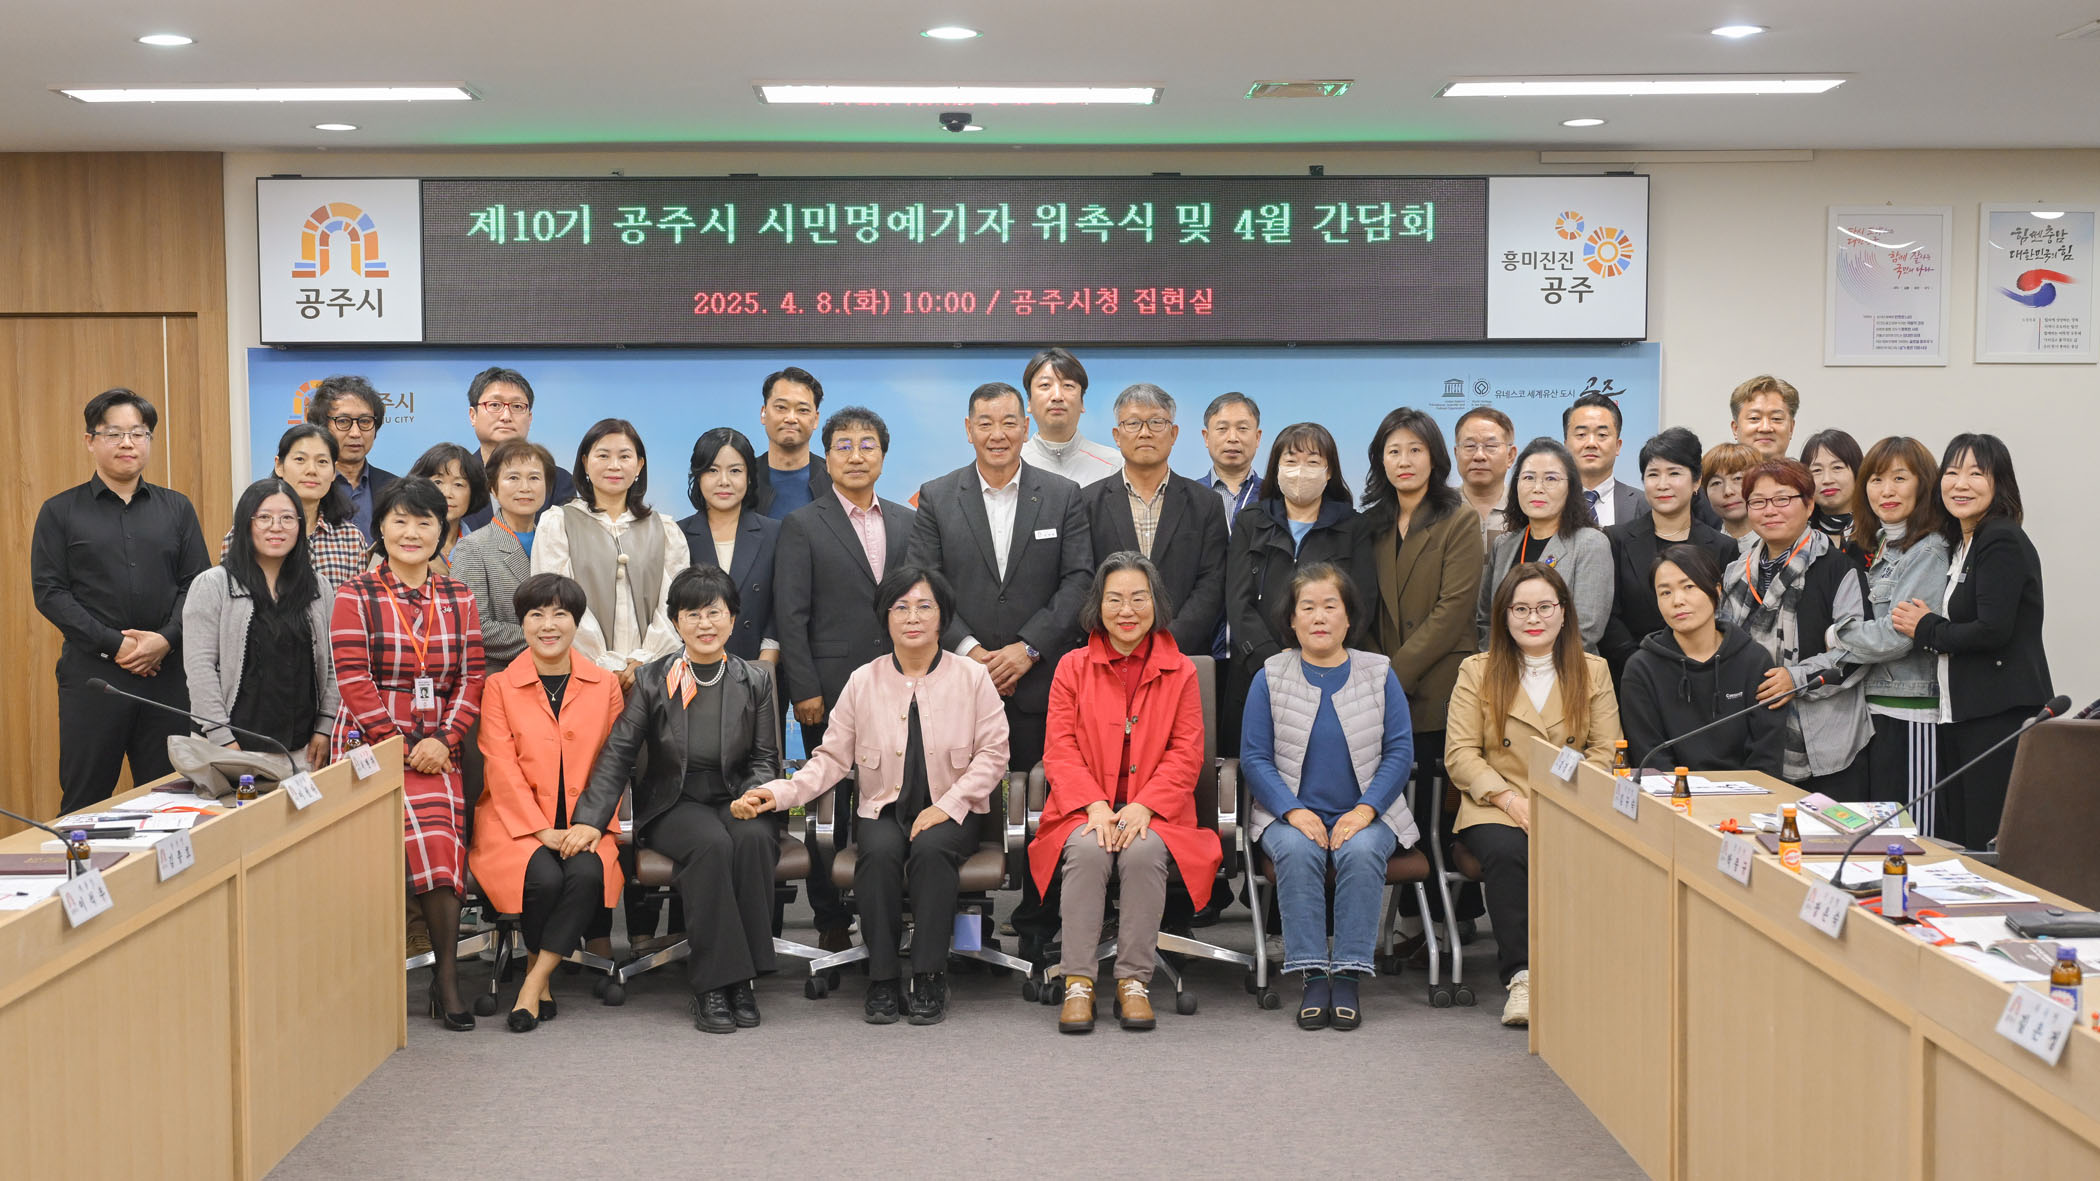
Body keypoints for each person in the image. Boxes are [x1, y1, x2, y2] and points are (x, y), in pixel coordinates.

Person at [736, 568, 1010, 1027]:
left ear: (943, 617)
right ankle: (882, 978)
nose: (912, 617)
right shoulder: (863, 680)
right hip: (884, 807)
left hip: (953, 811)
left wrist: (947, 806)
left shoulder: (973, 677)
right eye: (900, 608)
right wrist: (776, 792)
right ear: (885, 618)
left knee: (931, 849)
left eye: (924, 607)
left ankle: (929, 975)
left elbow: (994, 754)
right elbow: (829, 760)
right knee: (878, 852)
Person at [577, 566, 781, 1033]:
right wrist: (590, 818)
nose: (705, 624)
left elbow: (765, 758)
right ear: (676, 622)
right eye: (693, 614)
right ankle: (715, 984)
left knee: (753, 839)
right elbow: (618, 753)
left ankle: (743, 979)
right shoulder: (653, 679)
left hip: (735, 798)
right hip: (675, 803)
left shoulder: (756, 679)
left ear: (733, 619)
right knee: (712, 844)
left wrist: (754, 796)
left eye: (715, 613)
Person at [1032, 553, 1221, 1033]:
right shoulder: (1072, 667)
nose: (1127, 610)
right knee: (1088, 849)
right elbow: (1059, 747)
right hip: (1083, 808)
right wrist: (1095, 804)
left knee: (1142, 851)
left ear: (1156, 603)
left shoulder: (1181, 671)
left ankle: (1133, 981)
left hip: (1157, 812)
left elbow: (1187, 752)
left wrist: (1144, 805)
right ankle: (1078, 981)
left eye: (1139, 598)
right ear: (1098, 606)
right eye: (1114, 599)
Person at [330, 476, 486, 1029]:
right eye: (400, 520)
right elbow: (352, 678)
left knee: (440, 838)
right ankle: (355, 979)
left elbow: (472, 677)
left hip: (439, 742)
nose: (412, 532)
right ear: (381, 528)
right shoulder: (355, 594)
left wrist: (444, 740)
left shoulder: (458, 596)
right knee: (366, 851)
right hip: (369, 740)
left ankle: (447, 978)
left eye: (425, 521)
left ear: (441, 531)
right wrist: (397, 742)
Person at [1242, 564, 1418, 1030]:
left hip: (1369, 813)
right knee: (1299, 851)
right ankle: (1313, 974)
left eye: (1330, 606)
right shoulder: (1270, 676)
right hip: (1287, 815)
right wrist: (1293, 811)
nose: (1319, 617)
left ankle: (1349, 974)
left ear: (1348, 617)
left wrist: (1364, 810)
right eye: (1307, 608)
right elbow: (1255, 758)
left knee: (1360, 850)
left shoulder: (1379, 673)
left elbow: (1399, 752)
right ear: (1292, 619)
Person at [1447, 562, 1621, 1027]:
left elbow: (1606, 750)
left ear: (1564, 612)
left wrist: (1560, 799)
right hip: (1495, 804)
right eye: (1520, 609)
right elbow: (1460, 754)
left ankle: (1581, 973)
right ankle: (1522, 977)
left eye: (1545, 606)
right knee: (1510, 851)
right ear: (1503, 616)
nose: (1533, 618)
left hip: (1571, 799)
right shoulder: (1477, 671)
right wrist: (1509, 800)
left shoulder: (1594, 671)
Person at [775, 406, 915, 950]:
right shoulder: (803, 524)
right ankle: (830, 917)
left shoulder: (907, 521)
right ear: (827, 457)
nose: (856, 456)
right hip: (829, 688)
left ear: (883, 455)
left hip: (903, 684)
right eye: (844, 446)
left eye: (867, 445)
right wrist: (805, 688)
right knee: (827, 802)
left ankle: (895, 908)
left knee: (894, 795)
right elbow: (791, 615)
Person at [32, 388, 210, 815]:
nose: (127, 443)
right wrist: (118, 645)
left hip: (167, 677)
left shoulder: (177, 508)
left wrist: (164, 640)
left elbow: (197, 585)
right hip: (94, 678)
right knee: (85, 800)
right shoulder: (59, 511)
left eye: (138, 433)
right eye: (114, 433)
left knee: (171, 799)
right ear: (90, 440)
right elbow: (50, 592)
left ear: (149, 440)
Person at [469, 573, 623, 1032]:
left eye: (560, 614)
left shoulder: (605, 684)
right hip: (515, 824)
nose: (548, 625)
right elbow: (500, 767)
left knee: (586, 873)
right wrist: (541, 831)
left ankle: (534, 980)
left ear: (577, 622)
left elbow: (612, 764)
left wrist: (590, 824)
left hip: (586, 822)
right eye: (536, 615)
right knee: (542, 876)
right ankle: (541, 980)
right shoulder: (499, 686)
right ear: (522, 623)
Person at [1890, 434, 2051, 850]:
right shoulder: (1963, 543)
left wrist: (1926, 627)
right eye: (1952, 472)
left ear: (2000, 483)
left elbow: (1992, 630)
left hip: (1998, 716)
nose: (1960, 484)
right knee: (1959, 838)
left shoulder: (2000, 538)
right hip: (1962, 715)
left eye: (1976, 474)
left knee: (1987, 840)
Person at [1357, 407, 1479, 891]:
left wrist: (1390, 675)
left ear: (1435, 458)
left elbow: (1453, 611)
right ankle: (1407, 917)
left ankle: (1448, 918)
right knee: (1391, 807)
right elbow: (1360, 606)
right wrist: (1374, 669)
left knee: (1435, 809)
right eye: (1393, 451)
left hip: (1438, 684)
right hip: (1378, 686)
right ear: (1380, 460)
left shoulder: (1458, 519)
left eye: (1415, 449)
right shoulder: (1370, 524)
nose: (1404, 460)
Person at [1717, 458, 1872, 795]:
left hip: (1824, 739)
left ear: (1809, 504)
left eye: (1783, 499)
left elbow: (1855, 653)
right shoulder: (1735, 573)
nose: (1770, 510)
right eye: (1758, 501)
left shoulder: (1839, 569)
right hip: (1751, 732)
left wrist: (1795, 678)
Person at [1224, 421, 1376, 742]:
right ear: (1276, 468)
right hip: (1256, 671)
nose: (1300, 472)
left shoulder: (1354, 526)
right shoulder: (1251, 521)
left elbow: (1361, 603)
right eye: (1291, 461)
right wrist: (1273, 662)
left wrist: (1317, 660)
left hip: (1329, 673)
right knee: (1253, 759)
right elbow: (1237, 602)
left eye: (1312, 462)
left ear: (1329, 471)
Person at [1826, 437, 1952, 823]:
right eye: (1877, 480)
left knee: (1913, 833)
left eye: (1900, 478)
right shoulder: (1881, 545)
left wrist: (1836, 636)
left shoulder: (1928, 550)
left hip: (1910, 712)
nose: (1887, 491)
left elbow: (1897, 637)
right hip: (1872, 708)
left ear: (1923, 485)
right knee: (1877, 833)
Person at [184, 477, 338, 772]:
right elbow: (200, 669)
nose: (276, 527)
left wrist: (325, 727)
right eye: (264, 517)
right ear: (245, 524)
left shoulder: (318, 588)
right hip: (232, 748)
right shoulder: (213, 585)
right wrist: (223, 739)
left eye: (287, 518)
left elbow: (332, 665)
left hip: (303, 751)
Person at [532, 418, 690, 690]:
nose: (614, 465)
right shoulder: (559, 523)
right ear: (585, 462)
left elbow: (674, 603)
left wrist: (645, 661)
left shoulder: (665, 529)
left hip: (653, 676)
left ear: (639, 465)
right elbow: (555, 601)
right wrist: (602, 663)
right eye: (603, 455)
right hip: (579, 671)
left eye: (625, 456)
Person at [1079, 383, 1228, 656]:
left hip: (1183, 654)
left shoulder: (1206, 503)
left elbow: (1212, 585)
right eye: (1133, 423)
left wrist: (1166, 644)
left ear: (1174, 434)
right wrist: (1120, 641)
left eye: (1157, 422)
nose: (1145, 432)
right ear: (1117, 435)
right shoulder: (1088, 502)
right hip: (1109, 654)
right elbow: (1083, 581)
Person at [1618, 545, 1786, 778]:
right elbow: (1650, 755)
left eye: (1689, 587)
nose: (1677, 601)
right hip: (1673, 793)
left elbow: (1767, 756)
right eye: (1665, 593)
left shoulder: (1754, 661)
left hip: (1749, 792)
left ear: (1716, 591)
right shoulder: (1641, 669)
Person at [1602, 428, 1739, 682]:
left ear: (1696, 482)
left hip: (1704, 677)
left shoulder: (1723, 547)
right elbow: (1609, 616)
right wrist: (1643, 665)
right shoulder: (1616, 539)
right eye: (1653, 474)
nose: (1662, 484)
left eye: (1674, 473)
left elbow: (1726, 619)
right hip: (1633, 676)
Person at [1479, 439, 1612, 653]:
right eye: (1528, 478)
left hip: (1566, 667)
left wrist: (1534, 667)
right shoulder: (1504, 545)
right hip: (1501, 668)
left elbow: (1585, 631)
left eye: (1551, 478)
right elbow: (1486, 620)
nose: (1537, 488)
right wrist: (1495, 662)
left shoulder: (1591, 544)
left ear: (1571, 487)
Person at [676, 427, 780, 664]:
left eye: (735, 471)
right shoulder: (676, 534)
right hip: (692, 667)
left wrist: (765, 664)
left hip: (759, 665)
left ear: (749, 477)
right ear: (698, 476)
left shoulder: (775, 533)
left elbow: (781, 607)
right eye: (712, 470)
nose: (724, 481)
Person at [220, 423, 366, 589]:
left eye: (322, 461)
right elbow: (231, 596)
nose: (311, 470)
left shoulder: (351, 538)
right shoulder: (247, 532)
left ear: (334, 472)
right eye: (300, 459)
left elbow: (358, 602)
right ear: (279, 466)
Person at [451, 439, 556, 667]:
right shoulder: (473, 547)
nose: (525, 487)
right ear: (493, 488)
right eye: (513, 478)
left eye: (534, 478)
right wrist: (550, 637)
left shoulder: (556, 543)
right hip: (500, 674)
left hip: (559, 671)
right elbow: (474, 626)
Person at [458, 366, 575, 532]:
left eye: (517, 406)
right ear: (473, 415)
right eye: (495, 405)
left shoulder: (558, 481)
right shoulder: (456, 478)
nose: (506, 416)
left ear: (530, 418)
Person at [304, 374, 397, 539]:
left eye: (365, 421)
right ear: (321, 427)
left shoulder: (394, 487)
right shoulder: (305, 485)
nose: (355, 433)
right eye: (343, 421)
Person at [1017, 347, 1122, 486]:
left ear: (1082, 402)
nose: (1057, 396)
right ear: (1029, 402)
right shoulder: (1012, 464)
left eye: (1067, 385)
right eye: (1045, 385)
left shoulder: (1114, 466)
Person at [753, 366, 829, 519]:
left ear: (816, 419)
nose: (791, 418)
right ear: (763, 413)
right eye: (781, 407)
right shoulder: (744, 478)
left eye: (802, 410)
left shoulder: (833, 479)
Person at [1563, 391, 1644, 528]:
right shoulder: (1549, 501)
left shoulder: (1644, 504)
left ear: (1618, 446)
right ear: (1566, 446)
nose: (1591, 443)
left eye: (1602, 435)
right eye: (1581, 434)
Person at [405, 443, 488, 577]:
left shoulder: (485, 549)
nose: (447, 493)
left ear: (473, 493)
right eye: (438, 482)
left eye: (458, 484)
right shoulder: (399, 542)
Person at [1454, 406, 1518, 541]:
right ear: (1456, 454)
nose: (1479, 456)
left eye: (1490, 446)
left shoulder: (1524, 510)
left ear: (1510, 456)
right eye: (1470, 446)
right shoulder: (1439, 509)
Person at [1800, 429, 1865, 558]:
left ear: (1857, 472)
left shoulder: (1880, 531)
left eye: (1837, 468)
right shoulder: (1798, 534)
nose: (1827, 480)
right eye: (1817, 470)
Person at [1702, 441, 1761, 547]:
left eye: (1738, 478)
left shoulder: (1782, 543)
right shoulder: (1701, 548)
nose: (1728, 491)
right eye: (1716, 483)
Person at [1728, 375, 1799, 462]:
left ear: (1791, 428)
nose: (1765, 428)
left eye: (1776, 418)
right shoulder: (1716, 470)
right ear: (1735, 428)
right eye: (1754, 418)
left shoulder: (1807, 471)